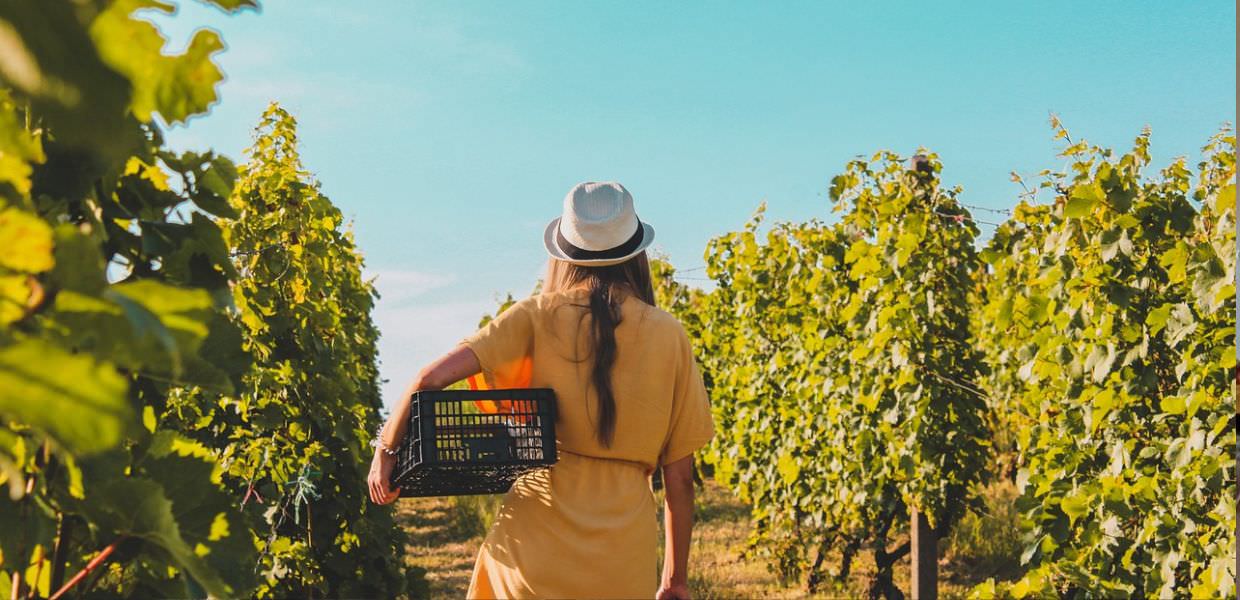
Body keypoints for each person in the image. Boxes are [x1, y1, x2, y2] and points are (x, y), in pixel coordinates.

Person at [367, 181, 716, 600]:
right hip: (622, 556)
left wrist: (385, 451)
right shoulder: (669, 335)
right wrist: (674, 581)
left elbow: (428, 379)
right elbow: (679, 480)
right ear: (636, 252)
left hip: (533, 542)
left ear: (565, 252)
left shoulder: (535, 315)